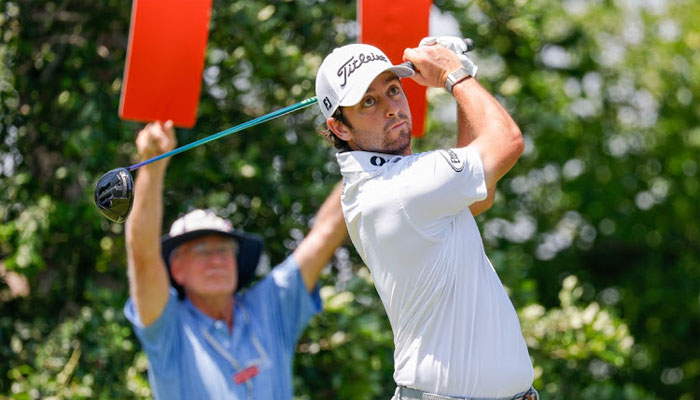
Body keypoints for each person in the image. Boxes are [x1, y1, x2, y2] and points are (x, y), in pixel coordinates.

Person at [315, 38, 538, 400]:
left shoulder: (382, 186)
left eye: (393, 90)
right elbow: (506, 141)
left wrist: (457, 66)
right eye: (369, 101)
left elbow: (477, 195)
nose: (392, 108)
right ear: (340, 128)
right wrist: (454, 74)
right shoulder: (399, 188)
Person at [123, 120, 347, 399]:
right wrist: (152, 167)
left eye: (225, 249)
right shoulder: (169, 329)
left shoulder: (269, 307)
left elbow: (324, 234)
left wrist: (373, 154)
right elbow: (143, 256)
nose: (216, 259)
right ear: (176, 269)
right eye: (202, 250)